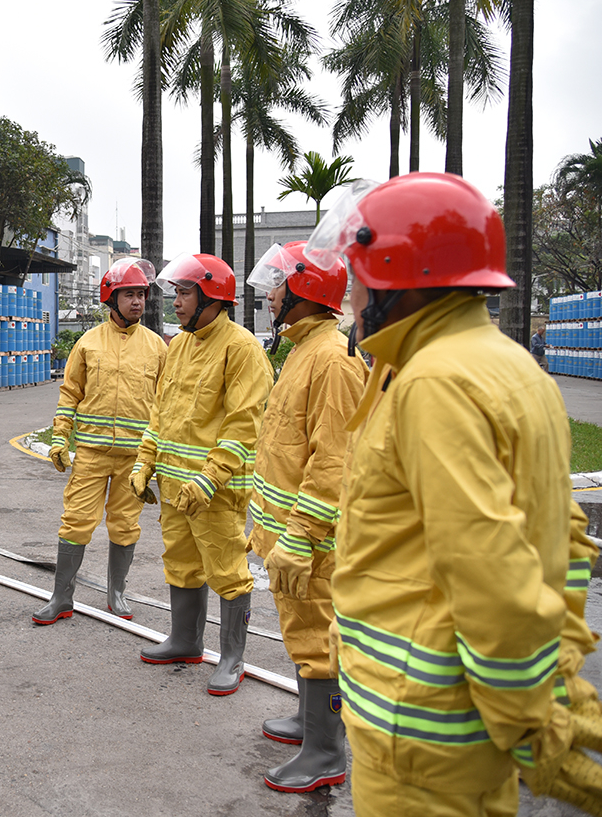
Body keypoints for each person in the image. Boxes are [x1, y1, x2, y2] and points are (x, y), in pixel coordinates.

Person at [306, 172, 602, 816]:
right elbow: (562, 536)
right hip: (456, 726)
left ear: (396, 277)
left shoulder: (433, 383)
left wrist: (531, 725)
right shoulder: (508, 365)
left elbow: (490, 574)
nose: (352, 296)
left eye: (359, 279)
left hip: (418, 728)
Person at [243, 241, 368, 792]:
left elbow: (333, 460)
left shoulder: (332, 360)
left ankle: (325, 752)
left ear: (303, 290)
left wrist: (301, 534)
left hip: (311, 541)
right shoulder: (304, 351)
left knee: (318, 635)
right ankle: (307, 721)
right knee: (300, 630)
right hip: (289, 535)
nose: (268, 295)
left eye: (277, 285)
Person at [129, 252, 273, 695]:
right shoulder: (180, 346)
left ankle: (232, 656)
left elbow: (244, 423)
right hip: (174, 486)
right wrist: (144, 460)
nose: (176, 301)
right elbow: (161, 412)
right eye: (176, 292)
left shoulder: (241, 348)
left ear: (213, 297)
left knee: (227, 568)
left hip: (215, 490)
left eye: (185, 293)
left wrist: (210, 478)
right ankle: (186, 640)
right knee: (182, 563)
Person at [33, 257, 166, 625]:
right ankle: (61, 598)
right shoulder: (88, 344)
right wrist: (60, 439)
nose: (138, 301)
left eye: (141, 295)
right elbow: (69, 393)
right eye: (129, 295)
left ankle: (117, 593)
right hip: (91, 453)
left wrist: (159, 454)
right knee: (75, 521)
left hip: (134, 458)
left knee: (125, 525)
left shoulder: (157, 347)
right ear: (112, 297)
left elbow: (166, 405)